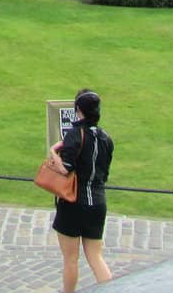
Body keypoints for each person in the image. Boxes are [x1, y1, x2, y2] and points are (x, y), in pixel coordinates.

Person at [47, 89, 114, 291]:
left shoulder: (75, 135)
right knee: (95, 256)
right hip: (98, 202)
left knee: (70, 259)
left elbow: (65, 168)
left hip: (73, 203)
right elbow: (105, 173)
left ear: (78, 110)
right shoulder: (106, 139)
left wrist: (53, 152)